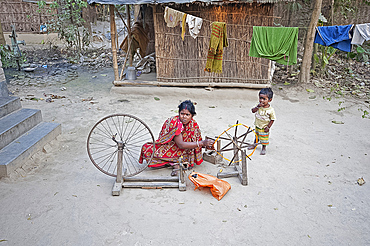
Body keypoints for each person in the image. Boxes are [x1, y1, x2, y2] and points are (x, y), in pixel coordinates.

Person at [139, 100, 214, 176]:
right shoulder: (175, 123)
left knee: (185, 155)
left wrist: (206, 144)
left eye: (187, 114)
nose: (184, 117)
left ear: (192, 116)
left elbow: (196, 140)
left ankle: (174, 162)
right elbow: (181, 145)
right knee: (146, 148)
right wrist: (202, 143)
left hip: (184, 150)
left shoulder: (193, 124)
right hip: (169, 146)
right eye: (182, 114)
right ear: (179, 113)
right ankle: (174, 162)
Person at [249, 88, 276, 155]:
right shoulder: (259, 106)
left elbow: (272, 119)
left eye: (264, 99)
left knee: (264, 138)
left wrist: (268, 127)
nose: (261, 100)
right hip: (257, 125)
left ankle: (264, 148)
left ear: (270, 100)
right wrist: (257, 107)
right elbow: (253, 111)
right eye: (260, 98)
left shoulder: (270, 110)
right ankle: (254, 144)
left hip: (264, 127)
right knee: (256, 136)